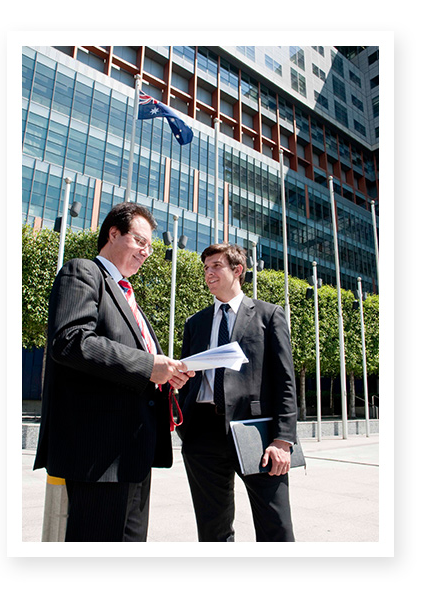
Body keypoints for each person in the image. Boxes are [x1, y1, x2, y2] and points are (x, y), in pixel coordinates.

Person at [34, 203, 193, 542]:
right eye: (140, 241)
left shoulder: (129, 297)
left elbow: (134, 364)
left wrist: (166, 375)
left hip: (134, 455)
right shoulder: (82, 272)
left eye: (150, 246)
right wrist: (149, 366)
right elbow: (71, 341)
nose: (146, 252)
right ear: (114, 233)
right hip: (99, 456)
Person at [177, 243, 297, 542]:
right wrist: (185, 425)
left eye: (216, 266)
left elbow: (284, 380)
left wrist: (283, 439)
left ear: (237, 270)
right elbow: (188, 379)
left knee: (275, 524)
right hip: (202, 432)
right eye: (206, 268)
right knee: (212, 528)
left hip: (255, 431)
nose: (208, 273)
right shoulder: (195, 322)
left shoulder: (269, 315)